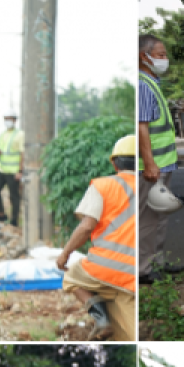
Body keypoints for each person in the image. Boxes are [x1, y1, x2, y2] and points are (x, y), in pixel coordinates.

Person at [56, 135, 137, 341]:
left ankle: (101, 319)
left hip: (102, 268)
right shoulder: (149, 186)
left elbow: (85, 227)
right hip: (133, 276)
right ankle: (106, 320)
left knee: (71, 276)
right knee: (129, 336)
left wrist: (65, 254)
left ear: (113, 162)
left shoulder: (103, 186)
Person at [138, 33, 183, 284]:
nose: (165, 60)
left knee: (160, 215)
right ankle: (143, 270)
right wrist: (149, 163)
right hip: (154, 167)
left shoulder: (152, 84)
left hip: (163, 164)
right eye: (160, 55)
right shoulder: (143, 86)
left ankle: (157, 262)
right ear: (144, 57)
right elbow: (141, 126)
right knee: (148, 219)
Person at [0, 113, 23, 225]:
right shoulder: (2, 134)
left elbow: (22, 153)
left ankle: (14, 220)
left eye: (9, 119)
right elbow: (1, 151)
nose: (7, 121)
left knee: (14, 196)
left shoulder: (20, 134)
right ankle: (1, 215)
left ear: (14, 120)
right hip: (1, 168)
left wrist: (20, 171)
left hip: (13, 171)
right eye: (5, 119)